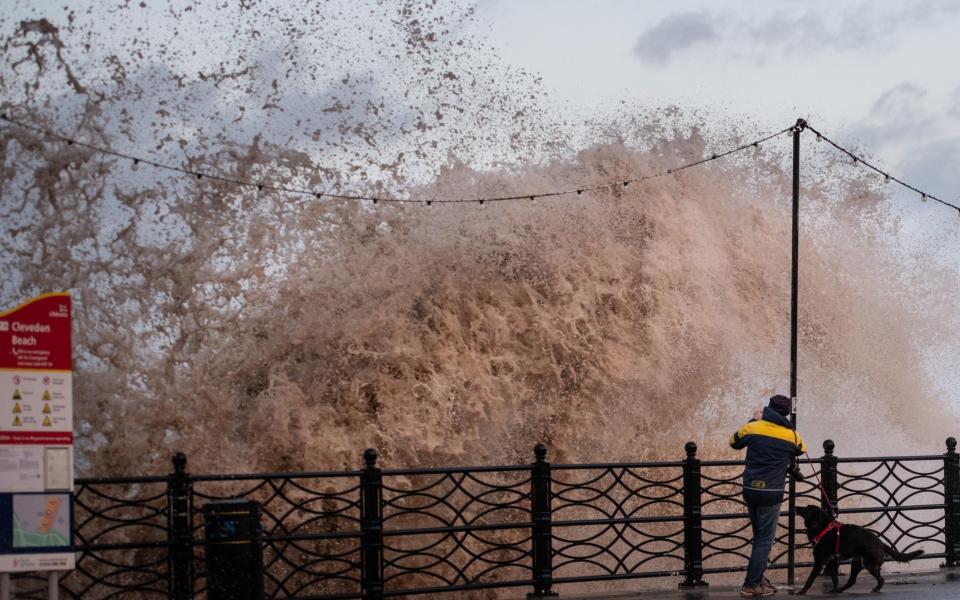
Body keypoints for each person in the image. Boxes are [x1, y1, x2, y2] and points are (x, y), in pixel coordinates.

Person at [729, 394, 807, 597]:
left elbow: (733, 441)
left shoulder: (754, 427)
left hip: (750, 489)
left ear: (768, 409)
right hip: (771, 493)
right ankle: (751, 584)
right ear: (786, 413)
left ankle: (758, 578)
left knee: (759, 538)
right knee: (765, 540)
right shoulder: (791, 435)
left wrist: (754, 420)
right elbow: (801, 449)